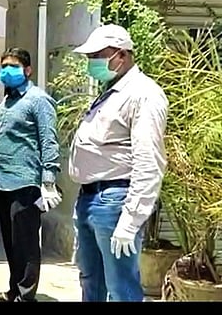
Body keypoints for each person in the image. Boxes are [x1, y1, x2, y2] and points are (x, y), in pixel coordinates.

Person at [69, 24, 168, 302]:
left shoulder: (143, 94)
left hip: (114, 202)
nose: (92, 62)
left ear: (122, 55)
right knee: (92, 282)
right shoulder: (113, 91)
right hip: (91, 198)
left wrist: (131, 219)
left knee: (121, 288)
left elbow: (149, 161)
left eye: (97, 56)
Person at [0, 48, 61, 303]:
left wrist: (48, 181)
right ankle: (13, 291)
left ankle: (25, 296)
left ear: (28, 70)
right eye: (4, 66)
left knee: (25, 245)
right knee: (11, 243)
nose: (6, 71)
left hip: (25, 182)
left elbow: (49, 140)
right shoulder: (7, 101)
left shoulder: (38, 100)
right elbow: (0, 139)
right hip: (2, 181)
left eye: (13, 66)